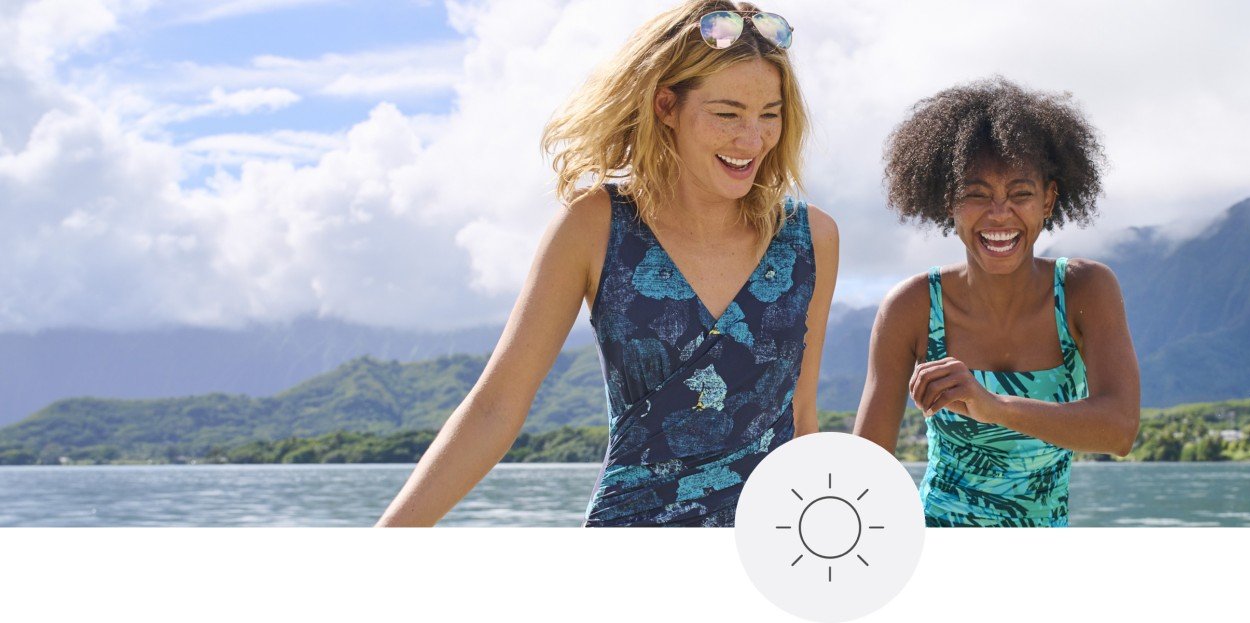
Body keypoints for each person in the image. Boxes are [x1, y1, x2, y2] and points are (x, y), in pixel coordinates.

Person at [377, 0, 838, 527]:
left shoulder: (810, 238)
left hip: (768, 556)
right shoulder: (594, 226)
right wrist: (385, 548)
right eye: (728, 114)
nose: (752, 139)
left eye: (770, 115)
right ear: (666, 105)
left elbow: (801, 420)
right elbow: (495, 408)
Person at [853, 77, 1138, 527]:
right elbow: (863, 472)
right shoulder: (912, 307)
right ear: (948, 201)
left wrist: (993, 407)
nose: (1000, 214)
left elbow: (1119, 430)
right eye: (976, 194)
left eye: (1020, 194)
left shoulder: (1086, 290)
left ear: (1049, 199)